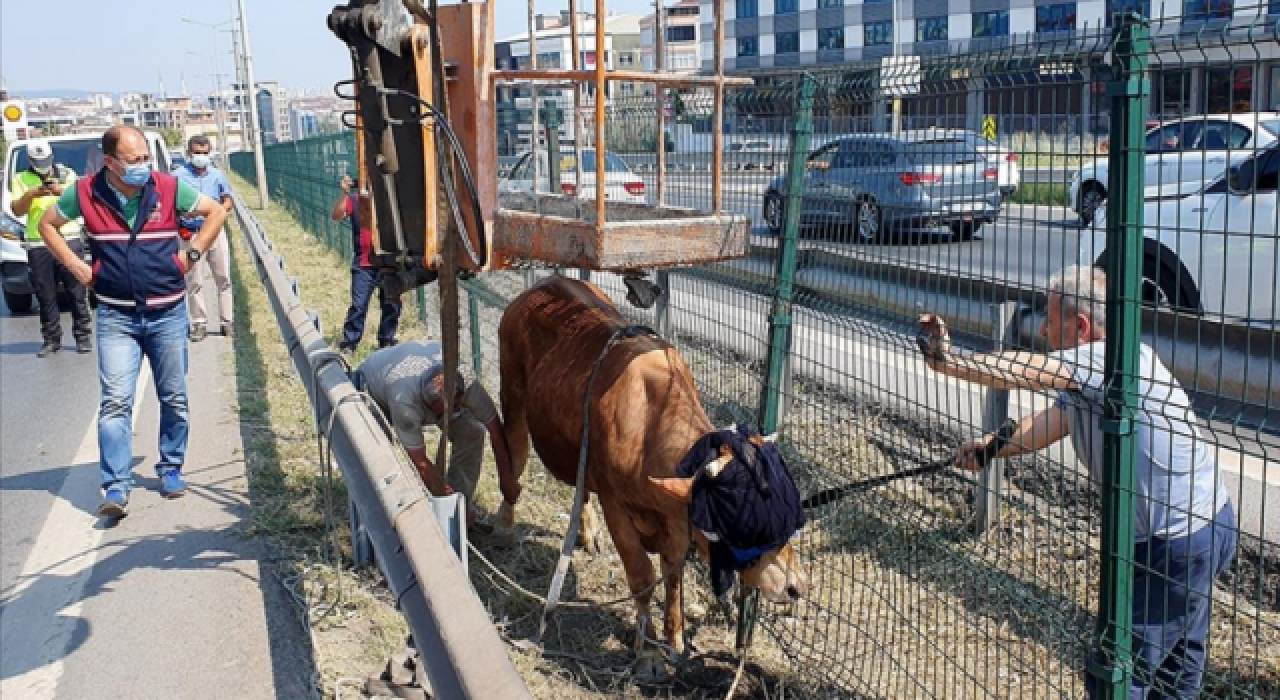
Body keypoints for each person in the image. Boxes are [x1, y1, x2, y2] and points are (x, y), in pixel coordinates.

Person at [917, 265, 1237, 699]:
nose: (1045, 332)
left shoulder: (1106, 358)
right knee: (1178, 663)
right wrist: (992, 447)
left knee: (1118, 672)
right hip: (1207, 523)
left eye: (1051, 321)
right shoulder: (1112, 368)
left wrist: (947, 362)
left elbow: (1024, 370)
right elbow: (1056, 420)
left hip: (1175, 544)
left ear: (1082, 325)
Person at [38, 125, 228, 517]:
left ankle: (171, 467)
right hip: (116, 316)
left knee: (173, 396)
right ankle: (115, 486)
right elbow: (46, 225)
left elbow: (215, 213)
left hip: (168, 312)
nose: (144, 166)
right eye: (134, 160)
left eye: (146, 158)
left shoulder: (168, 187)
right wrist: (75, 265)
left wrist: (190, 257)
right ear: (110, 162)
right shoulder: (85, 193)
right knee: (114, 402)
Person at [353, 340, 521, 525]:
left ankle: (460, 502)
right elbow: (420, 463)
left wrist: (506, 476)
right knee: (380, 457)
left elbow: (495, 428)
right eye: (443, 413)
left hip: (430, 395)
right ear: (428, 405)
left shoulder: (464, 378)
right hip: (373, 392)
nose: (454, 413)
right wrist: (446, 500)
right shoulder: (405, 402)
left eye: (457, 405)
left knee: (472, 431)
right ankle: (386, 517)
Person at [8, 139, 92, 357]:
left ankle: (83, 336)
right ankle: (51, 339)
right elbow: (17, 210)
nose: (42, 164)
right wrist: (33, 194)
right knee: (45, 294)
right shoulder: (21, 179)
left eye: (45, 160)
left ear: (52, 157)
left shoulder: (67, 174)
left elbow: (79, 201)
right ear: (30, 160)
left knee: (76, 291)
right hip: (39, 242)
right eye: (37, 161)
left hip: (68, 238)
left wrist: (59, 191)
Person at [173, 135, 233, 342]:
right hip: (191, 234)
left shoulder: (217, 176)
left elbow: (228, 201)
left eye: (205, 153)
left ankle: (227, 322)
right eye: (197, 153)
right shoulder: (178, 177)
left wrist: (215, 212)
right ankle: (199, 323)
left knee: (223, 277)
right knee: (194, 281)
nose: (201, 157)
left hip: (215, 231)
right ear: (189, 154)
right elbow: (171, 205)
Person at [331, 175, 401, 353]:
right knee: (359, 305)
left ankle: (386, 340)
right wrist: (345, 193)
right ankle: (350, 341)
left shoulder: (394, 200)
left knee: (391, 303)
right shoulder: (356, 201)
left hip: (389, 263)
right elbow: (337, 215)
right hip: (364, 264)